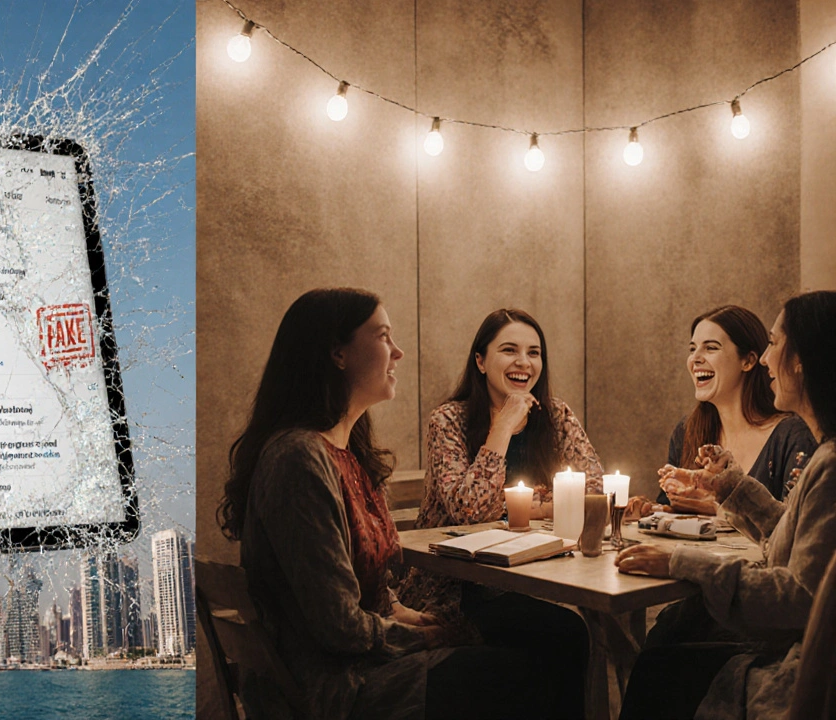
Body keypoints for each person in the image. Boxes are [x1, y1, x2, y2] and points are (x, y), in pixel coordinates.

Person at [218, 289, 566, 720]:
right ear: (337, 354)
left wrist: (411, 618)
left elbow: (372, 595)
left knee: (550, 641)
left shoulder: (347, 453)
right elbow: (339, 628)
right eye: (383, 337)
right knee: (535, 666)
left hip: (358, 664)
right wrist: (436, 638)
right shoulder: (299, 458)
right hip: (338, 688)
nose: (398, 352)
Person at [616, 291, 836, 720]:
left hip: (799, 670)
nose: (768, 360)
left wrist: (682, 562)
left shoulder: (826, 462)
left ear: (801, 360)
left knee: (657, 669)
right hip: (785, 642)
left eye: (774, 343)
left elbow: (800, 598)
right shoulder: (826, 456)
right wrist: (730, 487)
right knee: (665, 646)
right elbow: (793, 534)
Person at [401, 308, 594, 717]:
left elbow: (592, 490)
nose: (524, 363)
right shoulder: (449, 419)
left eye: (534, 352)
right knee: (566, 635)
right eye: (509, 350)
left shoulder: (555, 416)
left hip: (535, 579)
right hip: (458, 588)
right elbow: (470, 510)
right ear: (481, 360)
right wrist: (502, 427)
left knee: (571, 632)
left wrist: (529, 505)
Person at [626, 306, 816, 518]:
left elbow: (793, 531)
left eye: (711, 348)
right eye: (692, 349)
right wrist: (648, 509)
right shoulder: (687, 431)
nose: (695, 359)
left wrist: (720, 510)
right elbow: (670, 512)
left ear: (749, 361)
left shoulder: (792, 436)